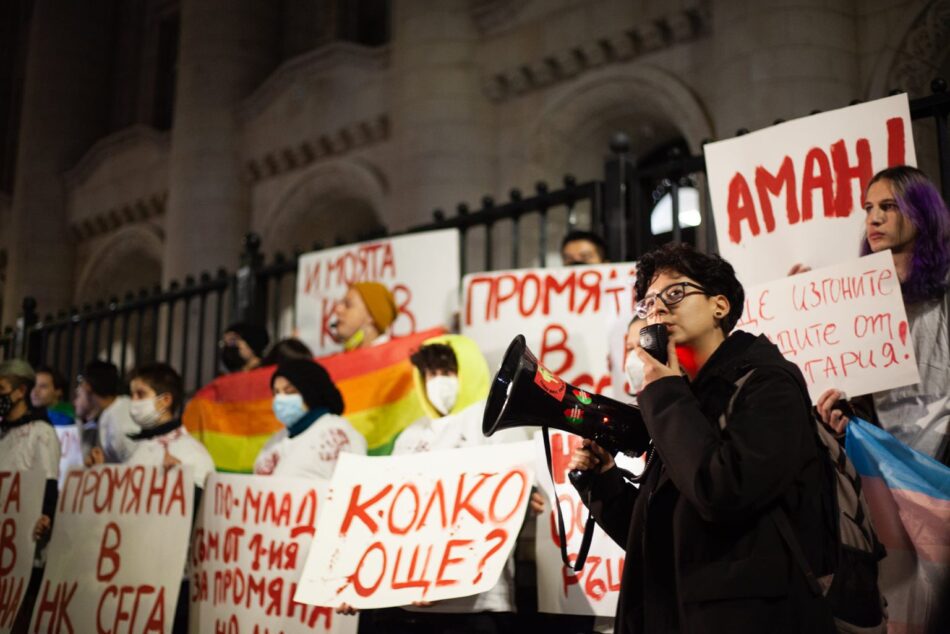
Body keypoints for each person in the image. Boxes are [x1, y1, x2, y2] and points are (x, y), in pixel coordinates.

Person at [570, 242, 834, 634]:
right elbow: (660, 537)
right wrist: (603, 481)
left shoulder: (767, 383)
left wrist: (663, 392)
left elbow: (723, 490)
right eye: (647, 303)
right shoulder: (684, 397)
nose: (657, 308)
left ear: (720, 306)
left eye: (675, 293)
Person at [808, 166, 950, 465]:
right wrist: (847, 424)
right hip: (886, 463)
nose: (874, 218)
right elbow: (857, 388)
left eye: (889, 206)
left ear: (922, 213)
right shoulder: (859, 297)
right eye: (869, 208)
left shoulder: (944, 289)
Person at [0, 359, 61, 630]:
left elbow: (49, 480)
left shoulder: (42, 433)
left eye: (1, 388)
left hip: (24, 547)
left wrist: (46, 516)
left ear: (20, 391)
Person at [254, 358, 366, 478]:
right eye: (276, 393)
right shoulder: (276, 440)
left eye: (289, 391)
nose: (280, 399)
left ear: (311, 393)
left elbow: (352, 485)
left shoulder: (337, 433)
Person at [124, 362, 216, 489]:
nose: (133, 401)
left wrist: (182, 480)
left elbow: (204, 502)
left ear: (165, 400)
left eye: (141, 394)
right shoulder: (136, 445)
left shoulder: (192, 452)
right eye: (132, 395)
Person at [73, 359, 138, 464]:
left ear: (87, 387)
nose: (77, 391)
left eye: (80, 385)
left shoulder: (120, 422)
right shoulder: (113, 412)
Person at [331, 281, 397, 351]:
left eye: (348, 305)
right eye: (341, 303)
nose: (338, 309)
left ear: (371, 315)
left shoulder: (396, 359)